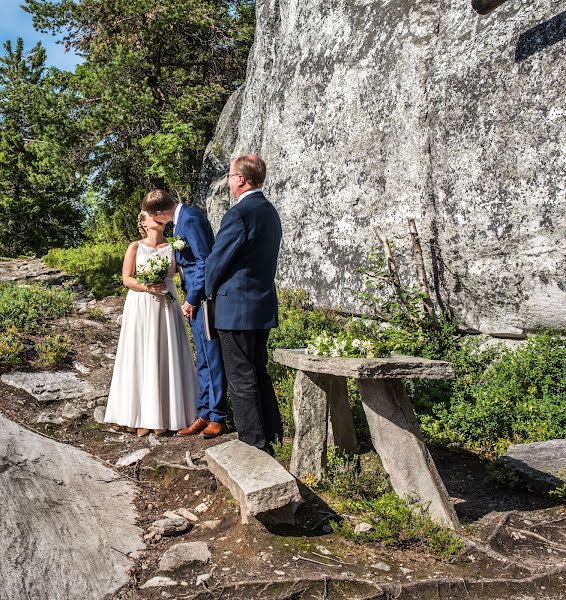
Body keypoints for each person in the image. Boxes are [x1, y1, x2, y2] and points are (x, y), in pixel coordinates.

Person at [205, 154, 283, 454]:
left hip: (235, 308)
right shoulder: (270, 212)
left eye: (229, 176)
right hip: (261, 305)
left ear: (240, 179)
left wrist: (204, 294)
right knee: (258, 371)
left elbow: (216, 262)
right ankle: (272, 433)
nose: (228, 181)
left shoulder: (238, 214)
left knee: (240, 377)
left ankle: (253, 444)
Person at [142, 189, 228, 438]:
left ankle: (218, 416)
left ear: (160, 213)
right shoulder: (182, 219)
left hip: (202, 299)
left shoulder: (190, 218)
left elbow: (204, 262)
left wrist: (191, 299)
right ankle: (204, 412)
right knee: (201, 354)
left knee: (211, 355)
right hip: (194, 296)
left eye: (153, 217)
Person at [104, 211, 198, 436]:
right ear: (143, 223)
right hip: (141, 305)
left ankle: (165, 416)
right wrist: (147, 287)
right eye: (150, 216)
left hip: (167, 305)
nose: (156, 219)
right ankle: (142, 417)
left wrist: (190, 298)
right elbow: (127, 279)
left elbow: (186, 274)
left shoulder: (174, 246)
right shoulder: (135, 247)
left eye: (159, 217)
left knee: (166, 355)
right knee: (141, 355)